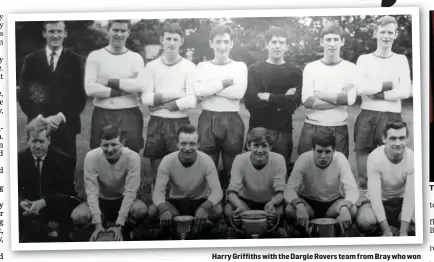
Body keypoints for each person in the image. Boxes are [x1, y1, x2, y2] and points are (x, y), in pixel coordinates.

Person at [354, 16, 412, 194]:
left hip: (392, 116)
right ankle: (364, 206)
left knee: (390, 171)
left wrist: (376, 94)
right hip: (367, 115)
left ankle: (387, 210)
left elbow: (404, 91)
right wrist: (388, 85)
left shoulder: (401, 59)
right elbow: (360, 88)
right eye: (382, 32)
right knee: (363, 174)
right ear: (375, 33)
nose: (386, 36)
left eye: (390, 32)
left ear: (395, 35)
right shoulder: (364, 59)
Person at [18, 20, 86, 172]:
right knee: (40, 169)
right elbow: (24, 93)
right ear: (44, 33)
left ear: (65, 33)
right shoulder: (31, 60)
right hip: (38, 124)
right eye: (51, 31)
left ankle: (66, 194)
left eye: (59, 31)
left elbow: (80, 94)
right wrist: (40, 117)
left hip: (66, 123)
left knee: (66, 168)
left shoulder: (76, 61)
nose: (55, 35)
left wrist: (60, 117)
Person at [141, 23, 197, 187]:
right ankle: (157, 198)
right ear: (161, 40)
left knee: (180, 166)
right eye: (168, 39)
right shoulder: (151, 66)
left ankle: (178, 199)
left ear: (181, 41)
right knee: (157, 167)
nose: (171, 43)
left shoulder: (189, 66)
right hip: (157, 121)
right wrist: (179, 94)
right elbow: (146, 99)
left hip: (179, 122)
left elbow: (191, 101)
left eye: (175, 39)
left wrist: (161, 104)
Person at [194, 24, 248, 190]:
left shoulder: (240, 66)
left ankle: (230, 198)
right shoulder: (203, 67)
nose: (222, 46)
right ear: (211, 43)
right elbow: (199, 91)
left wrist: (211, 90)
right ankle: (209, 199)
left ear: (232, 43)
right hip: (208, 118)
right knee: (207, 162)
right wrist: (224, 84)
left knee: (232, 164)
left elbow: (238, 93)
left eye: (226, 41)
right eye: (218, 42)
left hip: (232, 118)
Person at [70, 125, 147, 241]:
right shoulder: (91, 157)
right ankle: (96, 232)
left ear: (122, 143)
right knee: (77, 216)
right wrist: (97, 224)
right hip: (100, 200)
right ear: (100, 144)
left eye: (114, 144)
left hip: (123, 199)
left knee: (140, 209)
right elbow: (91, 192)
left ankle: (126, 230)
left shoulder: (133, 157)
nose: (110, 149)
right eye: (105, 145)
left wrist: (118, 225)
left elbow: (131, 192)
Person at [243, 27, 302, 175]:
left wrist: (268, 96)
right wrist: (283, 99)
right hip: (258, 127)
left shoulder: (295, 72)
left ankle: (280, 198)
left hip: (284, 130)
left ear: (286, 46)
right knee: (255, 170)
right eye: (273, 42)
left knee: (280, 171)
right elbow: (251, 102)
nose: (277, 46)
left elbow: (293, 103)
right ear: (266, 45)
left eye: (281, 42)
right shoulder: (254, 70)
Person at [148, 124, 223, 239]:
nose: (187, 148)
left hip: (200, 201)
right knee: (153, 210)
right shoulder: (167, 160)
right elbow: (158, 191)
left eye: (192, 143)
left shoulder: (206, 160)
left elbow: (217, 191)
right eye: (183, 143)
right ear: (177, 144)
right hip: (176, 202)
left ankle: (201, 230)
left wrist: (205, 207)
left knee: (217, 210)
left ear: (198, 144)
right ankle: (172, 231)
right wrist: (163, 208)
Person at [297, 23, 358, 159]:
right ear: (321, 42)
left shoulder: (350, 68)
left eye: (336, 39)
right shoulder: (311, 68)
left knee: (336, 172)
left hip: (338, 127)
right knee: (309, 172)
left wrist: (319, 94)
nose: (332, 44)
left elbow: (350, 99)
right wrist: (339, 99)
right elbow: (307, 100)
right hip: (313, 126)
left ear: (342, 42)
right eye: (328, 39)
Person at [85, 19, 145, 153]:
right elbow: (90, 88)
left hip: (129, 112)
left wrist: (109, 81)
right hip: (103, 112)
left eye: (123, 31)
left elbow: (141, 85)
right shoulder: (95, 56)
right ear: (108, 31)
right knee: (101, 153)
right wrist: (123, 89)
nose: (119, 34)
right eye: (115, 30)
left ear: (128, 32)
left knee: (130, 153)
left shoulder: (135, 58)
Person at [284, 131, 359, 236]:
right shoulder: (304, 159)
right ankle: (302, 231)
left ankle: (336, 231)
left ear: (334, 151)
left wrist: (344, 207)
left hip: (332, 204)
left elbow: (352, 189)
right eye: (319, 151)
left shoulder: (340, 158)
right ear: (313, 150)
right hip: (308, 203)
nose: (323, 156)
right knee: (290, 209)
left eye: (327, 152)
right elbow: (289, 189)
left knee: (353, 210)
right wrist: (299, 205)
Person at [18, 117, 78, 242]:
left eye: (41, 141)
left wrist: (44, 202)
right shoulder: (18, 159)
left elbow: (67, 192)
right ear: (27, 140)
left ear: (49, 140)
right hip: (28, 206)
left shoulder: (64, 160)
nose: (38, 146)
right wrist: (21, 201)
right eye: (34, 142)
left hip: (54, 203)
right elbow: (12, 188)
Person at [355, 121, 414, 237]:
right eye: (392, 138)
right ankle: (387, 228)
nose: (398, 143)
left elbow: (410, 197)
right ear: (384, 139)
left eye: (402, 138)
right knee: (364, 222)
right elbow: (375, 198)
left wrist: (404, 232)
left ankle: (398, 227)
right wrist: (386, 231)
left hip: (400, 201)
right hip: (379, 201)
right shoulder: (375, 157)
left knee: (420, 222)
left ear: (407, 139)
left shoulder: (412, 157)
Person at [224, 127, 286, 236]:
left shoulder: (278, 159)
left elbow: (280, 193)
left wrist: (272, 203)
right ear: (248, 146)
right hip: (246, 201)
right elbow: (231, 192)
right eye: (256, 145)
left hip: (269, 202)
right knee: (229, 209)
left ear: (270, 147)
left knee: (279, 212)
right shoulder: (240, 159)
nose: (260, 150)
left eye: (264, 145)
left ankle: (275, 232)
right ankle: (236, 232)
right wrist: (241, 207)